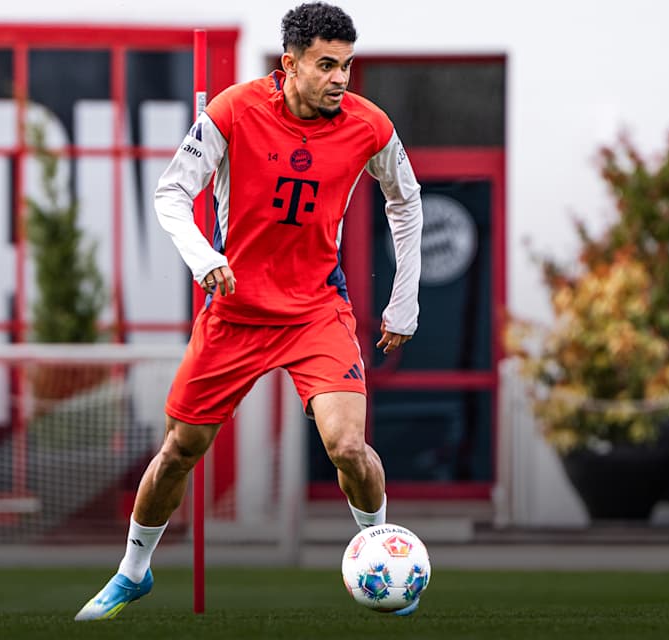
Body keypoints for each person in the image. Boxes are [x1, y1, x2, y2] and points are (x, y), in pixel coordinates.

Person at [75, 1, 423, 621]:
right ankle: (133, 571)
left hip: (318, 309)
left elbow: (407, 200)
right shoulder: (234, 109)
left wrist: (405, 298)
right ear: (289, 65)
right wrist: (202, 254)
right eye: (325, 66)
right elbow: (172, 192)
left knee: (349, 447)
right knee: (180, 449)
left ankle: (378, 551)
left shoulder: (369, 125)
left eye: (346, 65)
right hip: (235, 311)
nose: (340, 78)